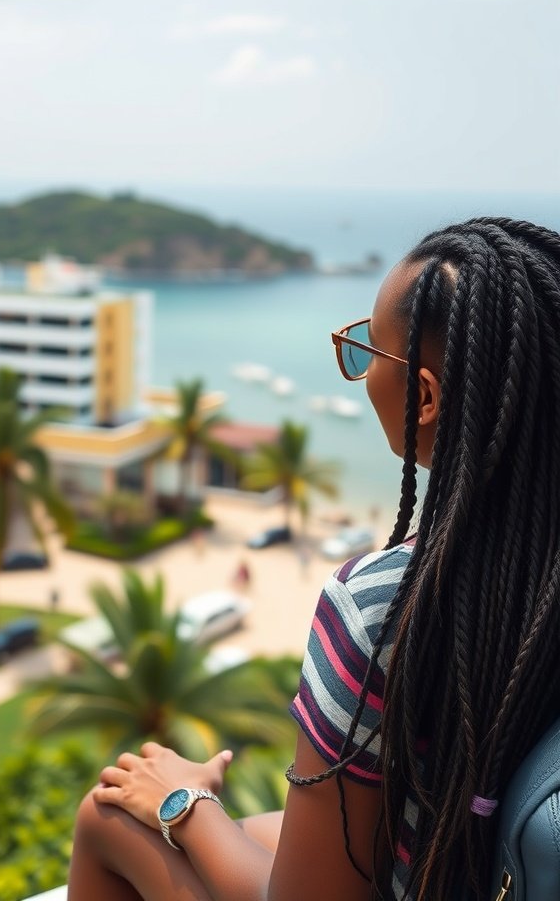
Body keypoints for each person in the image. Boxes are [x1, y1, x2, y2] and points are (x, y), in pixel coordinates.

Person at [68, 217, 560, 901]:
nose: (359, 371)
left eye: (369, 354)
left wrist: (183, 801)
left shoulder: (385, 607)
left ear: (423, 397)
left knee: (110, 816)